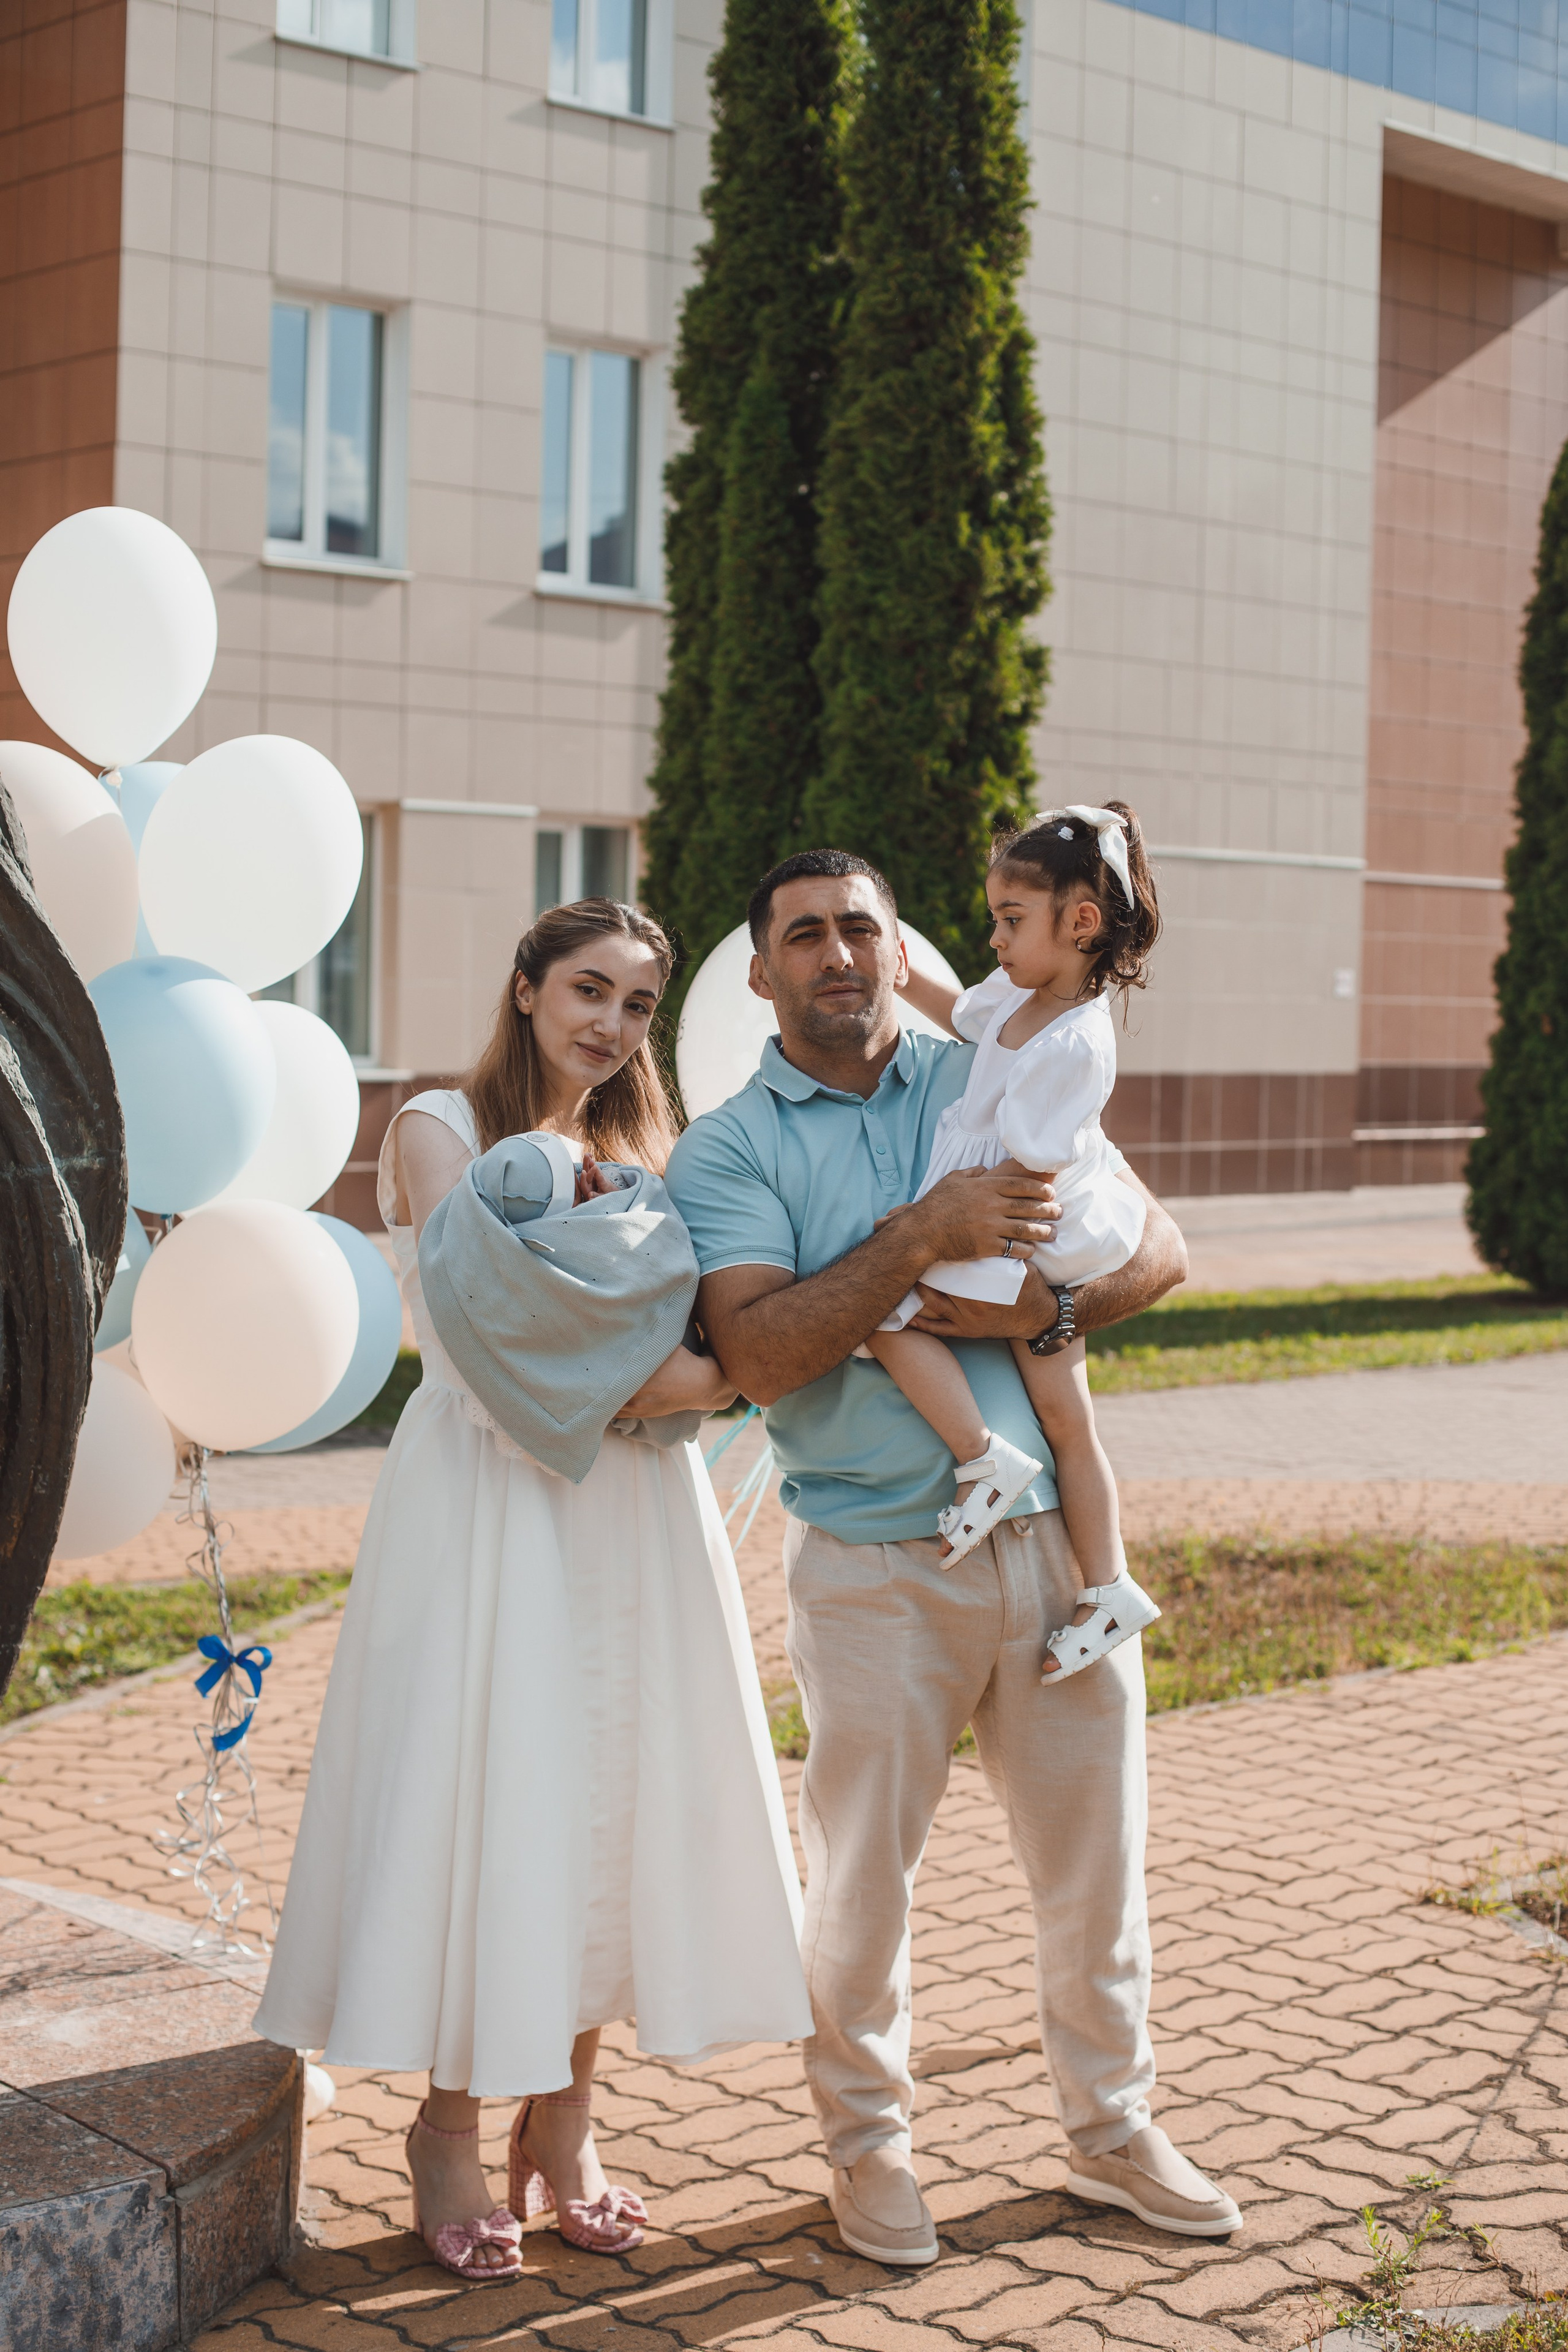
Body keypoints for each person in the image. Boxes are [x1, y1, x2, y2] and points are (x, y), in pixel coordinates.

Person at [665, 850, 1243, 2269]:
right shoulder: (726, 1150)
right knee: (862, 1890)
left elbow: (1158, 1247)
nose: (838, 953)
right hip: (871, 1572)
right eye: (803, 936)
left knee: (1095, 1876)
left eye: (861, 926)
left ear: (894, 943)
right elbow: (755, 1350)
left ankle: (1111, 2132)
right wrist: (919, 1238)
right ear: (759, 975)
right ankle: (868, 2153)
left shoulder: (984, 1062)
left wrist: (1030, 1320)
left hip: (1052, 1555)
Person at [254, 898, 813, 2283]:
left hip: (630, 1514)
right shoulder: (439, 1127)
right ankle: (444, 2128)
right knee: (486, 1800)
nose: (609, 1024)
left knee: (610, 1806)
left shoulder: (651, 1155)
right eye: (586, 989)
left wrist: (710, 1355)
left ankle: (563, 2125)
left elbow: (702, 1326)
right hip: (492, 1508)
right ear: (522, 987)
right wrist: (702, 1368)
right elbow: (507, 1324)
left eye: (636, 1005)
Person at [862, 801, 1162, 1683]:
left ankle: (983, 1458)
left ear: (1080, 923)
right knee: (1071, 1419)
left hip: (1010, 1216)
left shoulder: (1078, 1038)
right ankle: (1109, 1586)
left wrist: (938, 1236)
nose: (994, 937)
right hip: (1007, 1214)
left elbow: (1030, 1166)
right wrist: (905, 975)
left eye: (1010, 920)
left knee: (881, 1306)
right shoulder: (1025, 998)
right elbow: (966, 1019)